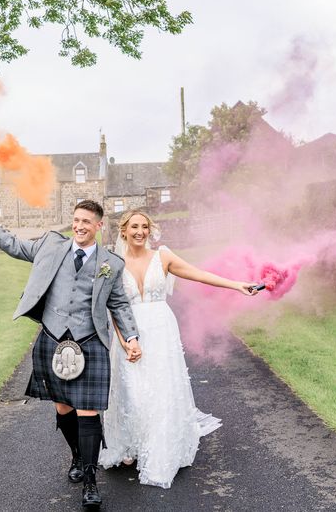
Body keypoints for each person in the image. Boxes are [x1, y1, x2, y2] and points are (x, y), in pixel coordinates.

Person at [0, 197, 141, 510]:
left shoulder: (111, 263)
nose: (79, 226)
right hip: (52, 337)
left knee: (88, 411)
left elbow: (119, 304)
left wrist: (131, 337)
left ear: (99, 226)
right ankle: (77, 455)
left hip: (90, 340)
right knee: (63, 407)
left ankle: (90, 480)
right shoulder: (49, 245)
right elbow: (12, 244)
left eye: (86, 222)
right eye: (76, 220)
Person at [99, 209, 261, 488]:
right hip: (129, 331)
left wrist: (237, 285)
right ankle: (129, 442)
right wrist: (124, 340)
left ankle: (158, 446)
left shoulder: (163, 256)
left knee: (160, 387)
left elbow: (199, 275)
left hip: (161, 331)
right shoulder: (113, 263)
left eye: (144, 226)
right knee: (131, 388)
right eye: (134, 226)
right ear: (123, 231)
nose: (140, 232)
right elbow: (114, 306)